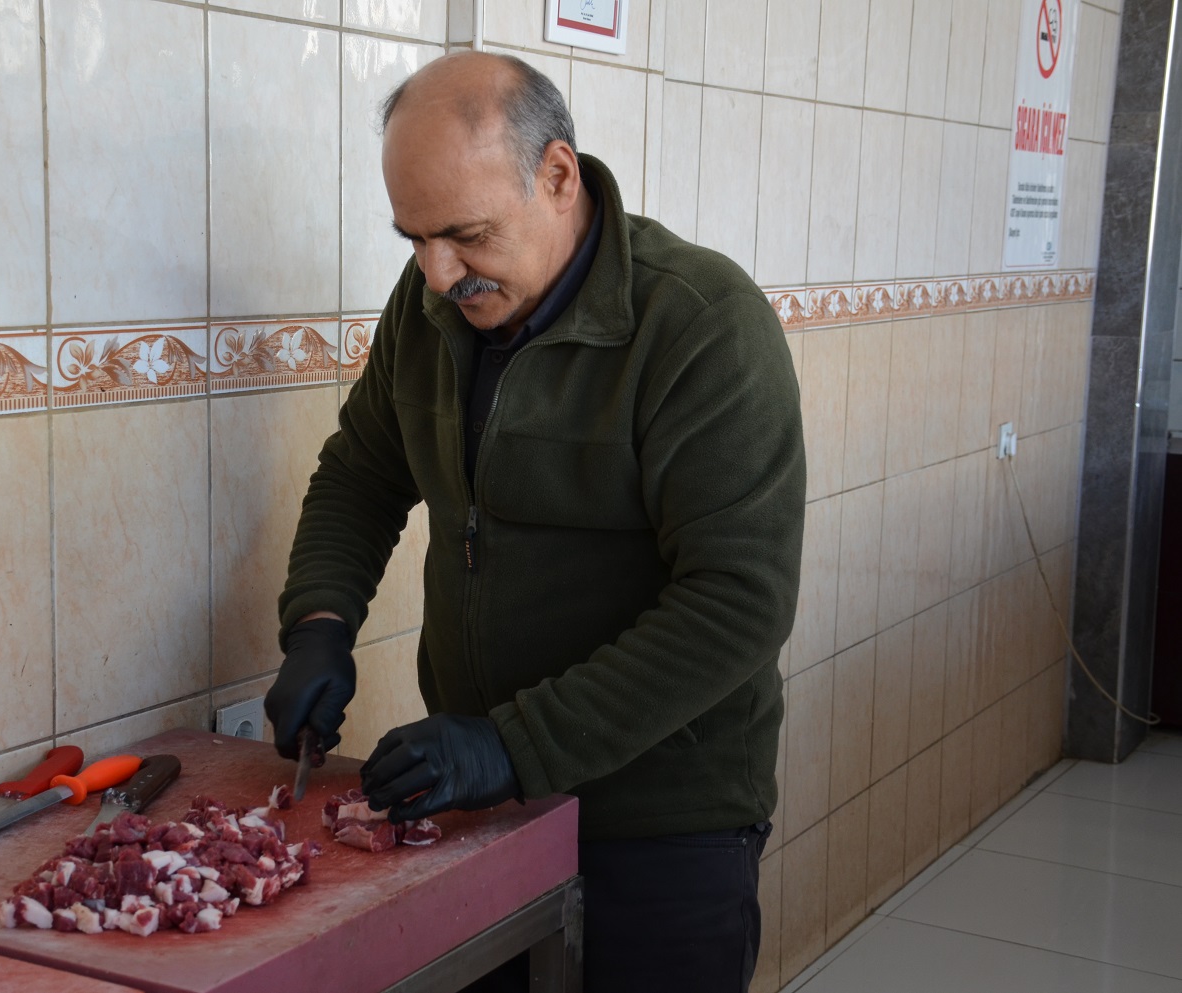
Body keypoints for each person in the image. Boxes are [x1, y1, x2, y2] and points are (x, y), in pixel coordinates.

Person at [264, 51, 805, 993]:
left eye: (466, 235)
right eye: (415, 239)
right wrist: (319, 621)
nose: (438, 272)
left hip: (663, 826)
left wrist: (512, 745)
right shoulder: (432, 307)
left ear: (557, 176)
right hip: (483, 807)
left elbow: (737, 603)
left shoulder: (700, 325)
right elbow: (362, 472)